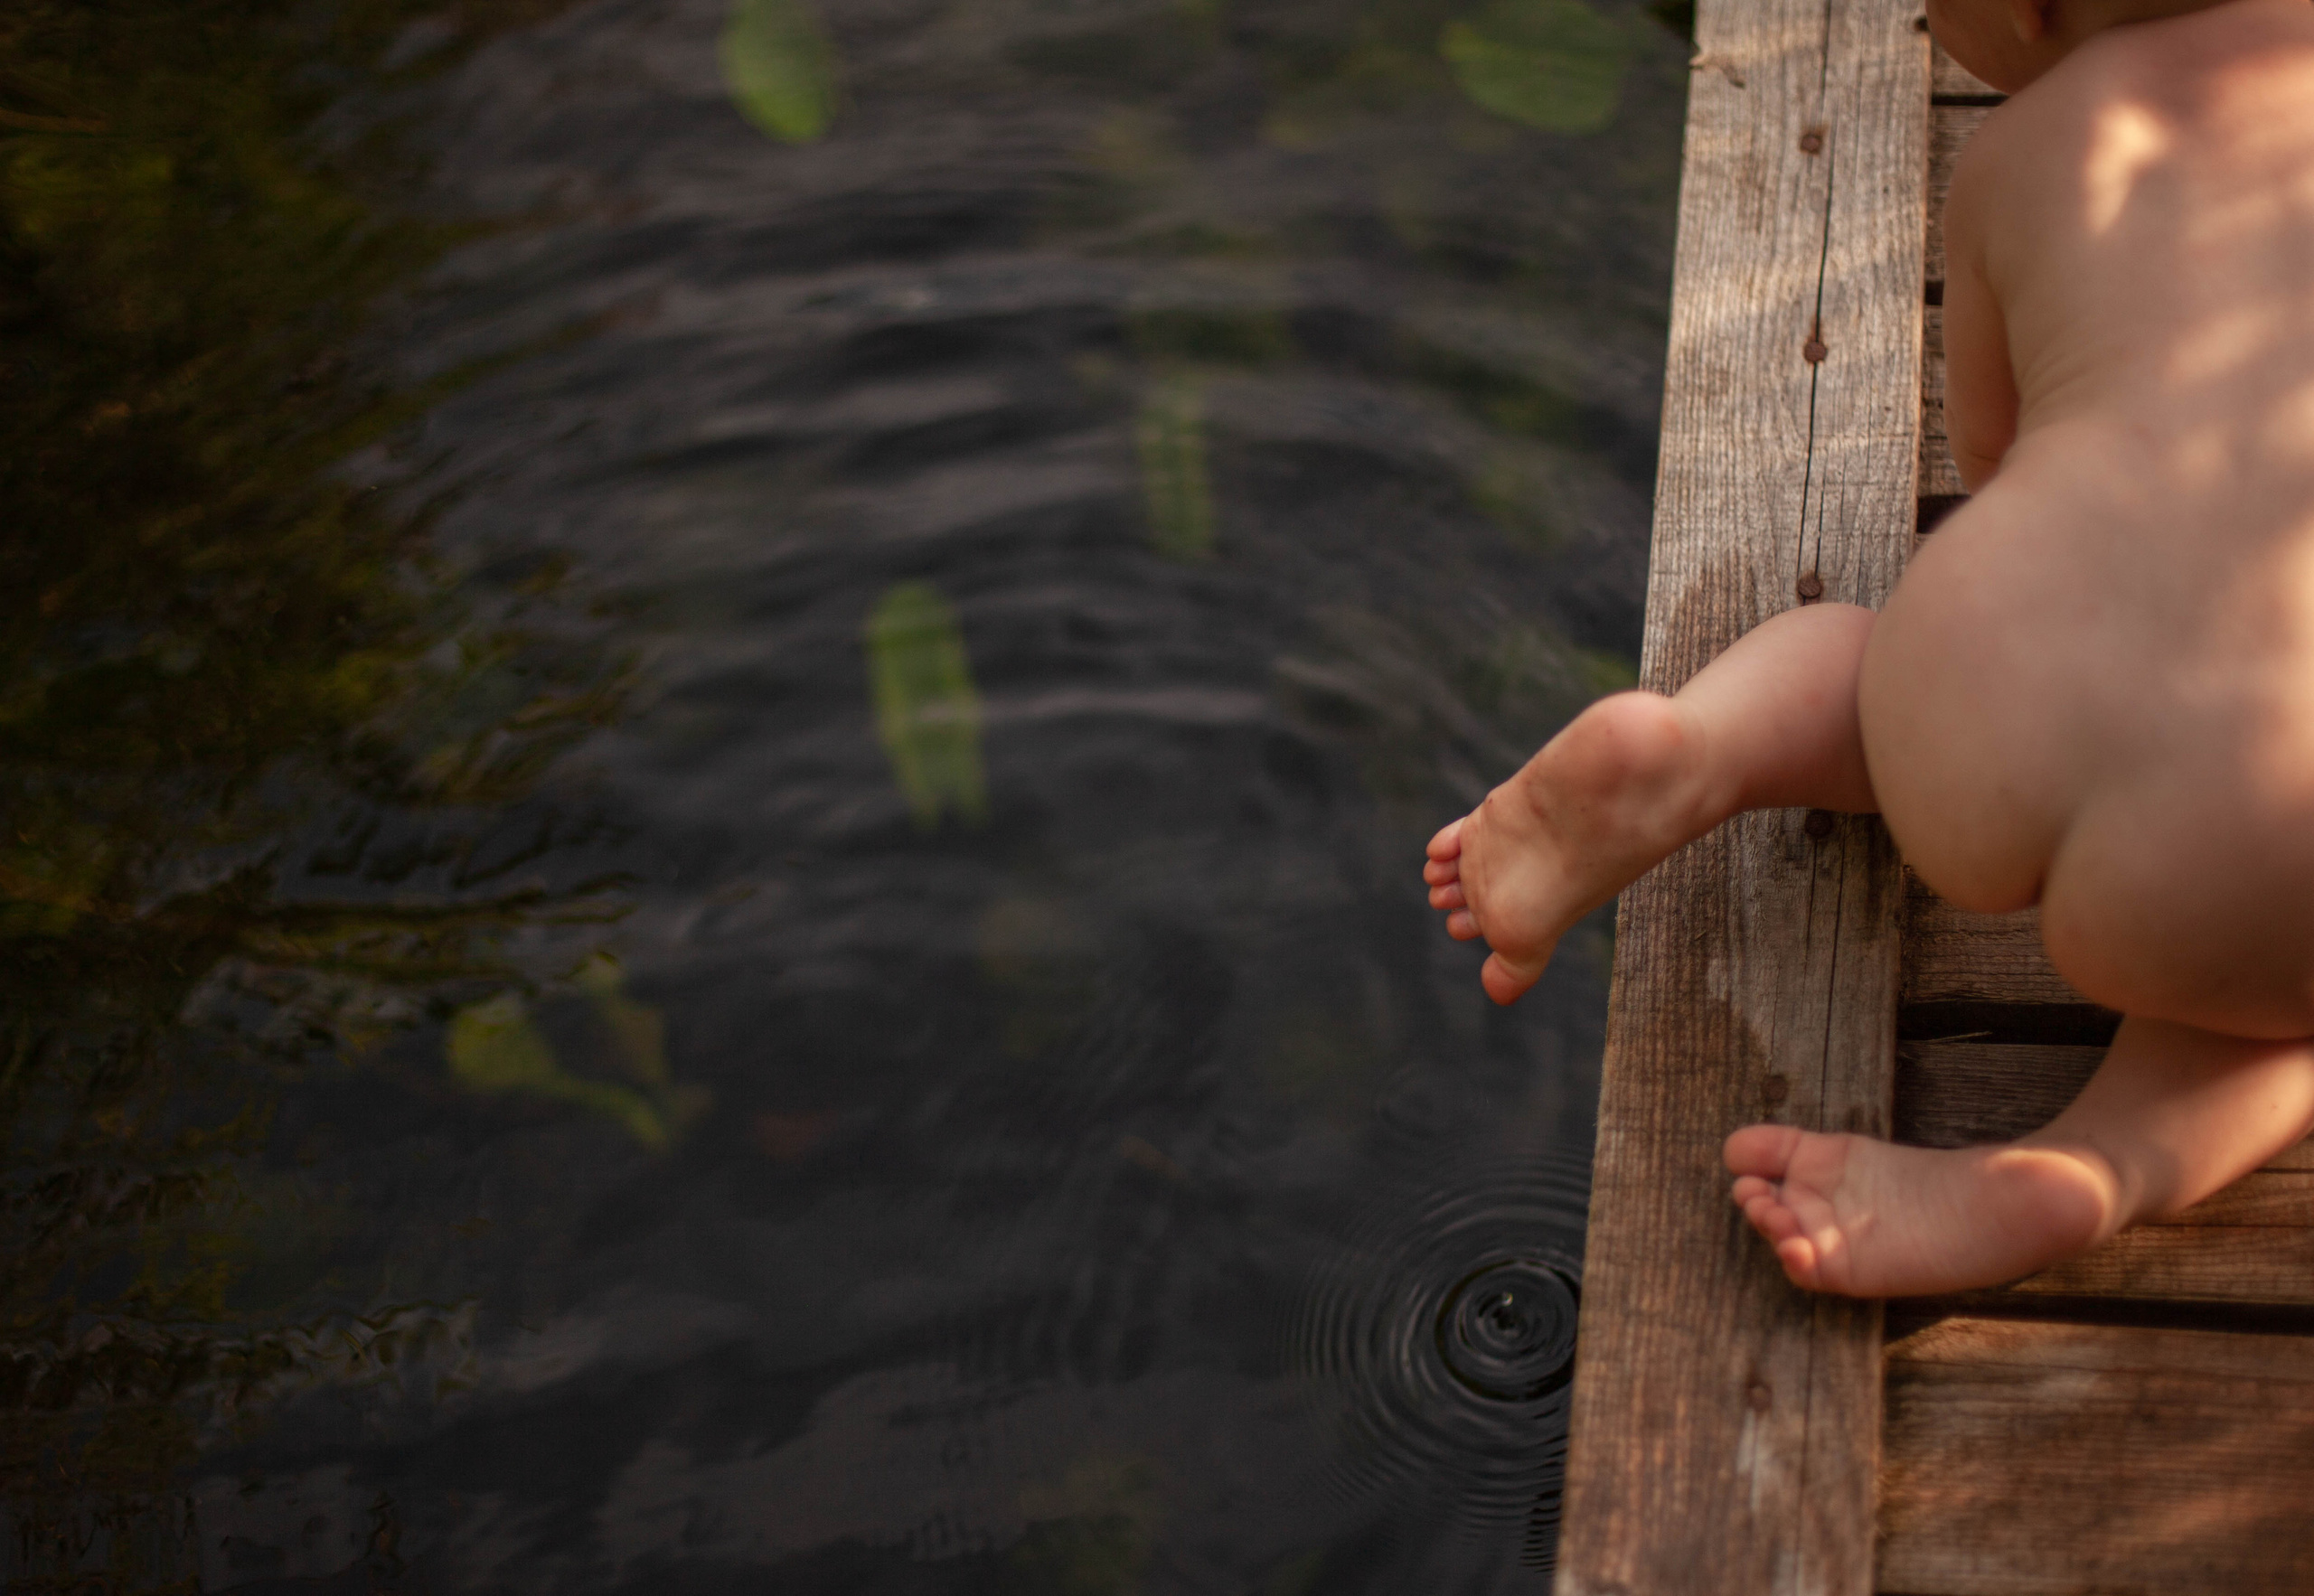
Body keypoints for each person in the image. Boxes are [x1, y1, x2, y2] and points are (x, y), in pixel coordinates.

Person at [1421, 0, 2314, 1298]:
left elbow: (1995, 463)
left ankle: (1698, 745)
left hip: (1975, 690)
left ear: (2031, 12)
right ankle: (2079, 1174)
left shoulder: (2024, 157)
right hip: (2247, 836)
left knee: (1885, 653)